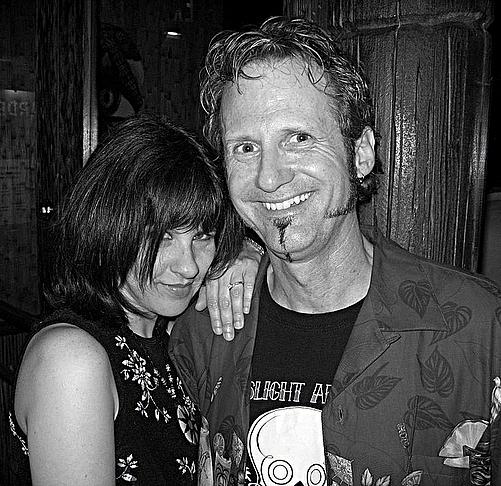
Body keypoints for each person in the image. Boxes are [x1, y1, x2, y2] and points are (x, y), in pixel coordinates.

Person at [169, 16, 501, 486]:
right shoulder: (202, 330)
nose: (269, 177)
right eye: (245, 148)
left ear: (360, 154)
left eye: (299, 138)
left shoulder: (481, 331)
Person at [9, 112, 262, 485]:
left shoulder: (166, 330)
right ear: (108, 227)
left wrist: (248, 251)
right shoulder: (70, 359)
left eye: (202, 236)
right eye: (162, 236)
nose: (189, 266)